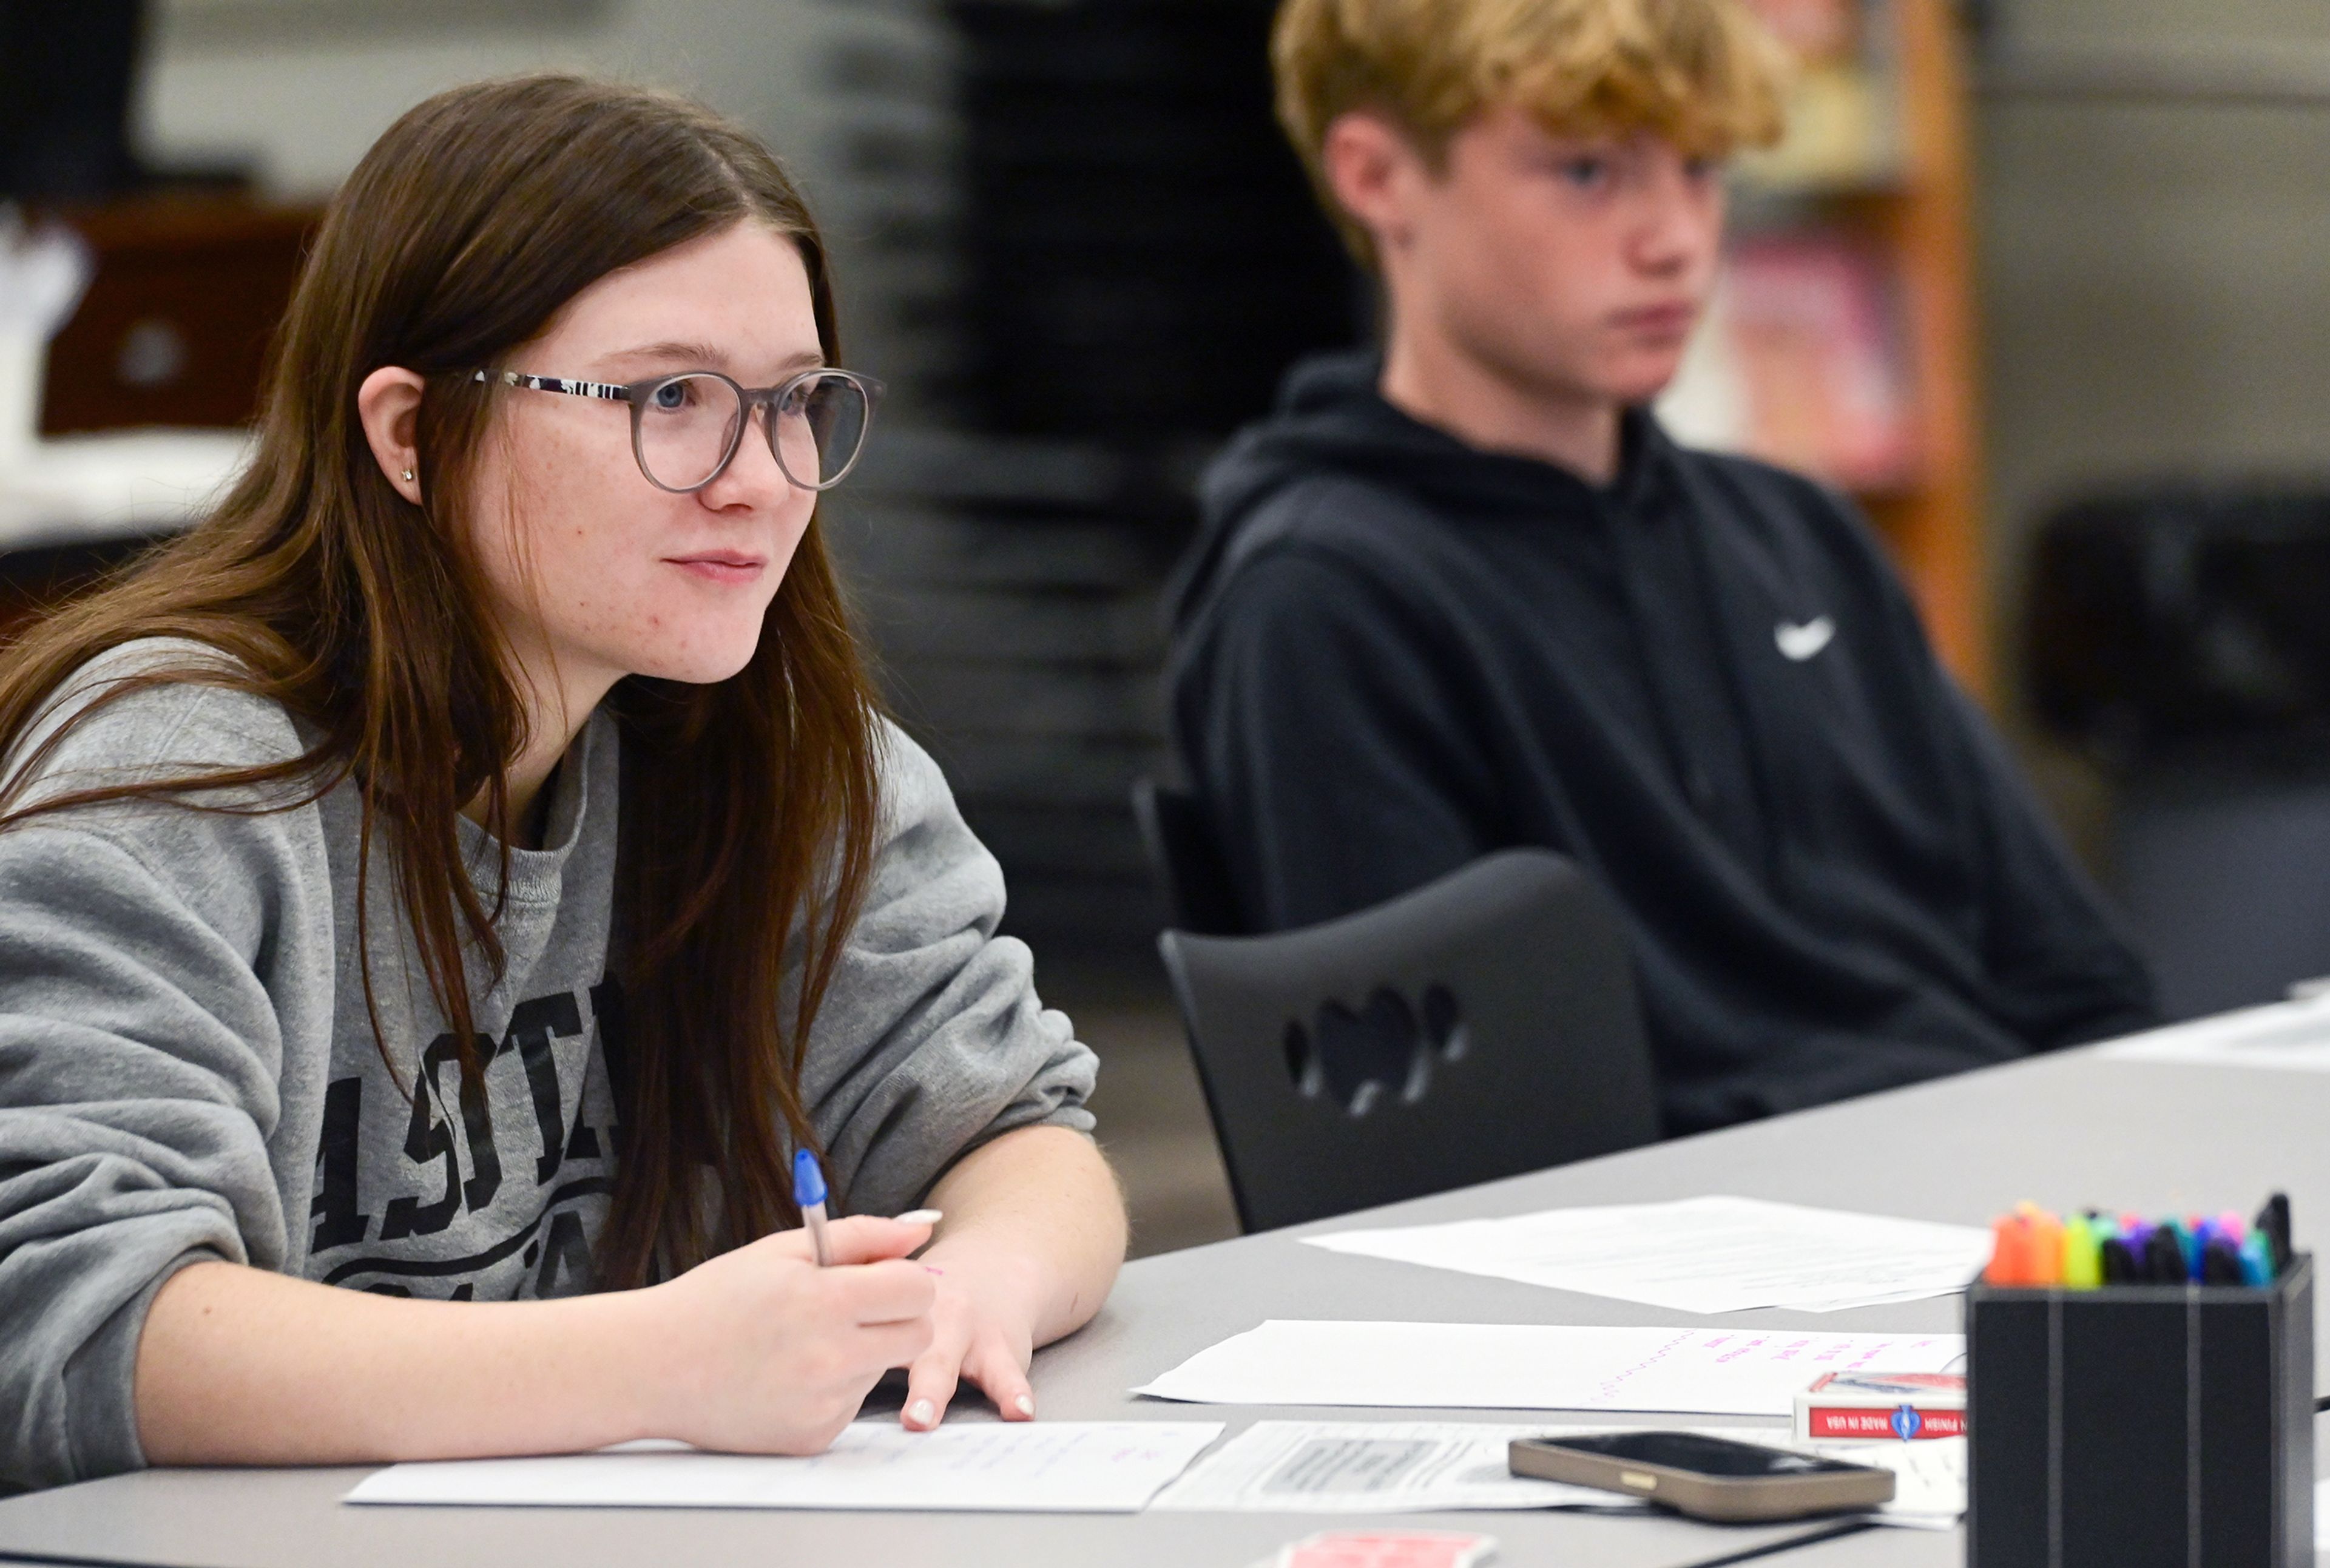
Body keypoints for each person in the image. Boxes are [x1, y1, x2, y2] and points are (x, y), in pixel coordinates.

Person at [0, 75, 1125, 1492]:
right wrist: (663, 1362)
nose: (759, 481)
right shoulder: (173, 776)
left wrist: (980, 1288)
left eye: (795, 404)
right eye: (671, 399)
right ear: (409, 434)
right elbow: (70, 1319)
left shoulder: (767, 743)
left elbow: (1022, 1134)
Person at [1166, 0, 2157, 1135]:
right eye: (1589, 174)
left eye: (1700, 168)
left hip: (1993, 1197)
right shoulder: (1325, 601)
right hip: (1696, 1268)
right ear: (1378, 176)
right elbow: (1431, 1142)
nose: (1677, 238)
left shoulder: (1802, 538)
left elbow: (2084, 987)